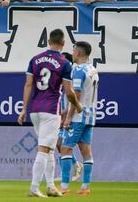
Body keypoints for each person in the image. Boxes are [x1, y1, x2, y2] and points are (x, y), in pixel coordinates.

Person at [17, 29, 83, 198]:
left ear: (48, 41)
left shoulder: (35, 59)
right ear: (63, 43)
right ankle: (34, 187)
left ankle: (51, 186)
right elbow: (68, 92)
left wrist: (24, 109)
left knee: (50, 149)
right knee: (44, 150)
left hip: (34, 110)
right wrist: (77, 104)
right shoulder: (64, 63)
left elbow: (28, 85)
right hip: (51, 110)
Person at [60, 41, 99, 196]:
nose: (72, 52)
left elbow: (76, 95)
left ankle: (64, 187)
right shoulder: (93, 69)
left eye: (74, 50)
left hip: (78, 115)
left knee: (65, 148)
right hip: (91, 115)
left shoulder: (79, 71)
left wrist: (68, 117)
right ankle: (85, 187)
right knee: (86, 151)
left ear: (78, 53)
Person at [56, 52, 83, 182]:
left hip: (70, 116)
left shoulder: (71, 76)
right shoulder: (63, 76)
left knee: (62, 144)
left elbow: (74, 97)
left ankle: (65, 175)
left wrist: (65, 114)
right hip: (64, 115)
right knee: (59, 144)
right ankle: (75, 165)